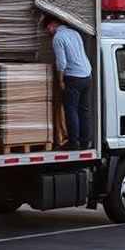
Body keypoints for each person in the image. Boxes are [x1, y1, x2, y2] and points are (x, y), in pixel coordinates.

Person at [43, 16, 93, 150]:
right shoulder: (75, 33)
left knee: (71, 110)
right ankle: (85, 142)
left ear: (53, 24)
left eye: (48, 28)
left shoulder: (58, 38)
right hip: (87, 74)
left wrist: (60, 80)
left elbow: (61, 63)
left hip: (73, 77)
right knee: (84, 110)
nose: (48, 32)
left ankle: (73, 143)